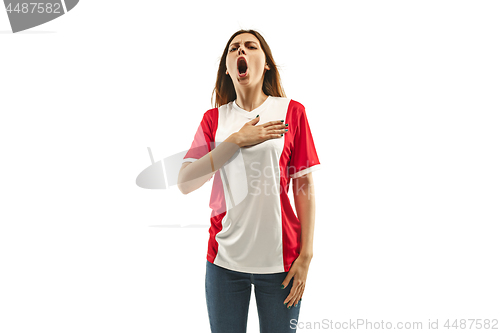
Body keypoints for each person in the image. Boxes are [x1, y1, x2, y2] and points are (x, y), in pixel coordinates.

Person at [177, 29, 321, 333]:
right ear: (228, 68)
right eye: (234, 49)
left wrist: (306, 256)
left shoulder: (291, 112)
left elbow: (303, 186)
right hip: (224, 263)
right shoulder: (213, 120)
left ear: (265, 62)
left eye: (250, 46)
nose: (241, 51)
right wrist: (236, 141)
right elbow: (186, 182)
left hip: (282, 264)